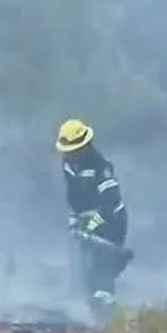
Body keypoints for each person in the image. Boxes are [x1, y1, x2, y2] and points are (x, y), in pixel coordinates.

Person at [56, 118, 130, 318]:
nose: (70, 155)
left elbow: (111, 203)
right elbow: (73, 198)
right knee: (84, 271)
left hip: (113, 223)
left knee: (103, 270)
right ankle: (91, 312)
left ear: (85, 146)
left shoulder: (101, 167)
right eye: (68, 151)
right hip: (87, 221)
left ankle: (108, 315)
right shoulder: (68, 165)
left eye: (74, 150)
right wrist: (74, 220)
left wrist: (92, 224)